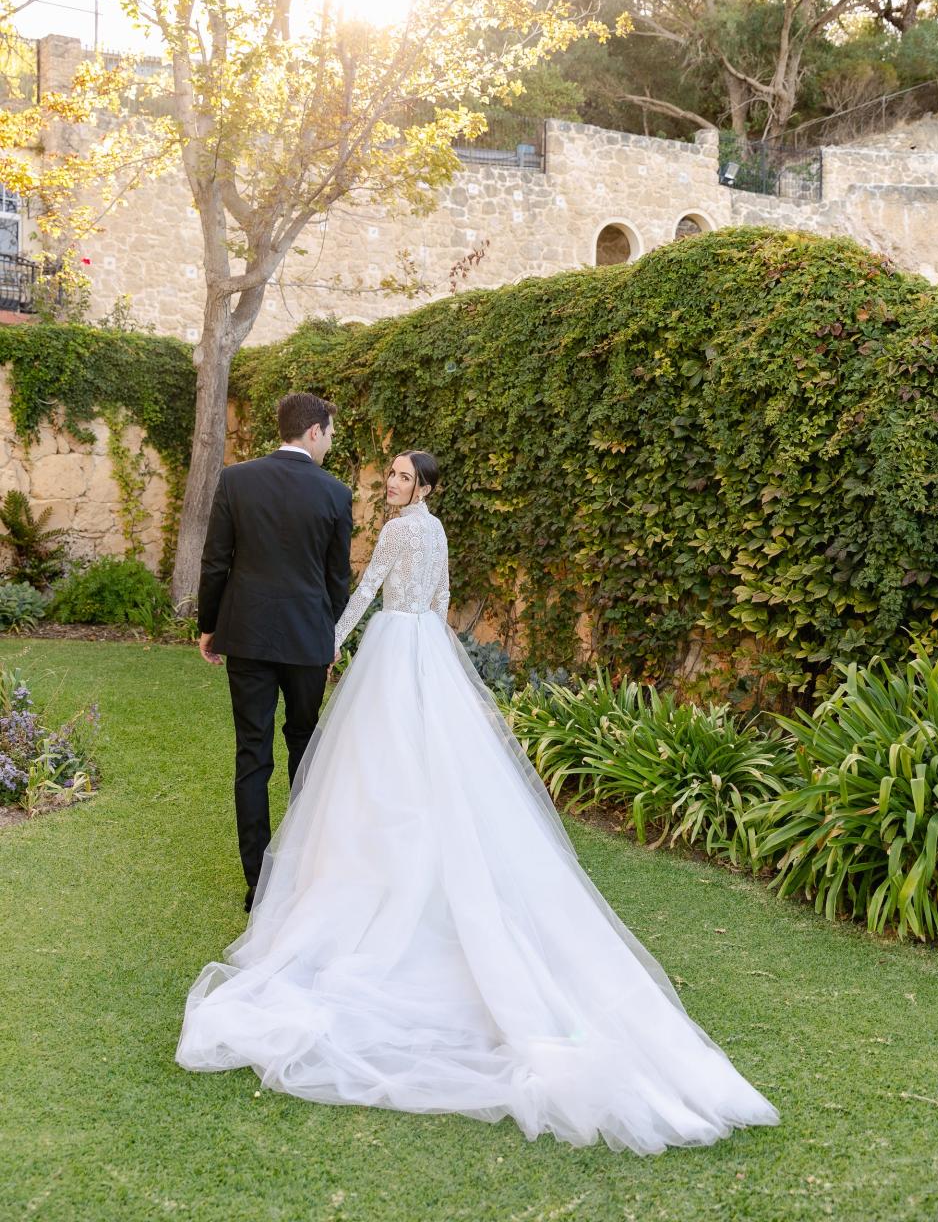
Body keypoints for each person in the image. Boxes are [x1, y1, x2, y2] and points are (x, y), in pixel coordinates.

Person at [177, 449, 779, 1155]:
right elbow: (439, 602)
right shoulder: (437, 532)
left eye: (403, 476)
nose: (393, 483)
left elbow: (368, 588)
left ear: (423, 487)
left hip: (394, 652)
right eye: (393, 475)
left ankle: (371, 875)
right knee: (432, 768)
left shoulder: (402, 531)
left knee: (377, 763)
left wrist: (326, 644)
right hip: (428, 646)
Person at [195, 391, 353, 912]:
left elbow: (216, 560)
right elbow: (337, 578)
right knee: (305, 750)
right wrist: (328, 636)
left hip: (249, 635)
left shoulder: (237, 480)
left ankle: (258, 885)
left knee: (252, 753)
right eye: (329, 432)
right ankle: (303, 875)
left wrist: (210, 626)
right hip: (307, 640)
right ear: (313, 431)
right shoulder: (335, 492)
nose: (330, 441)